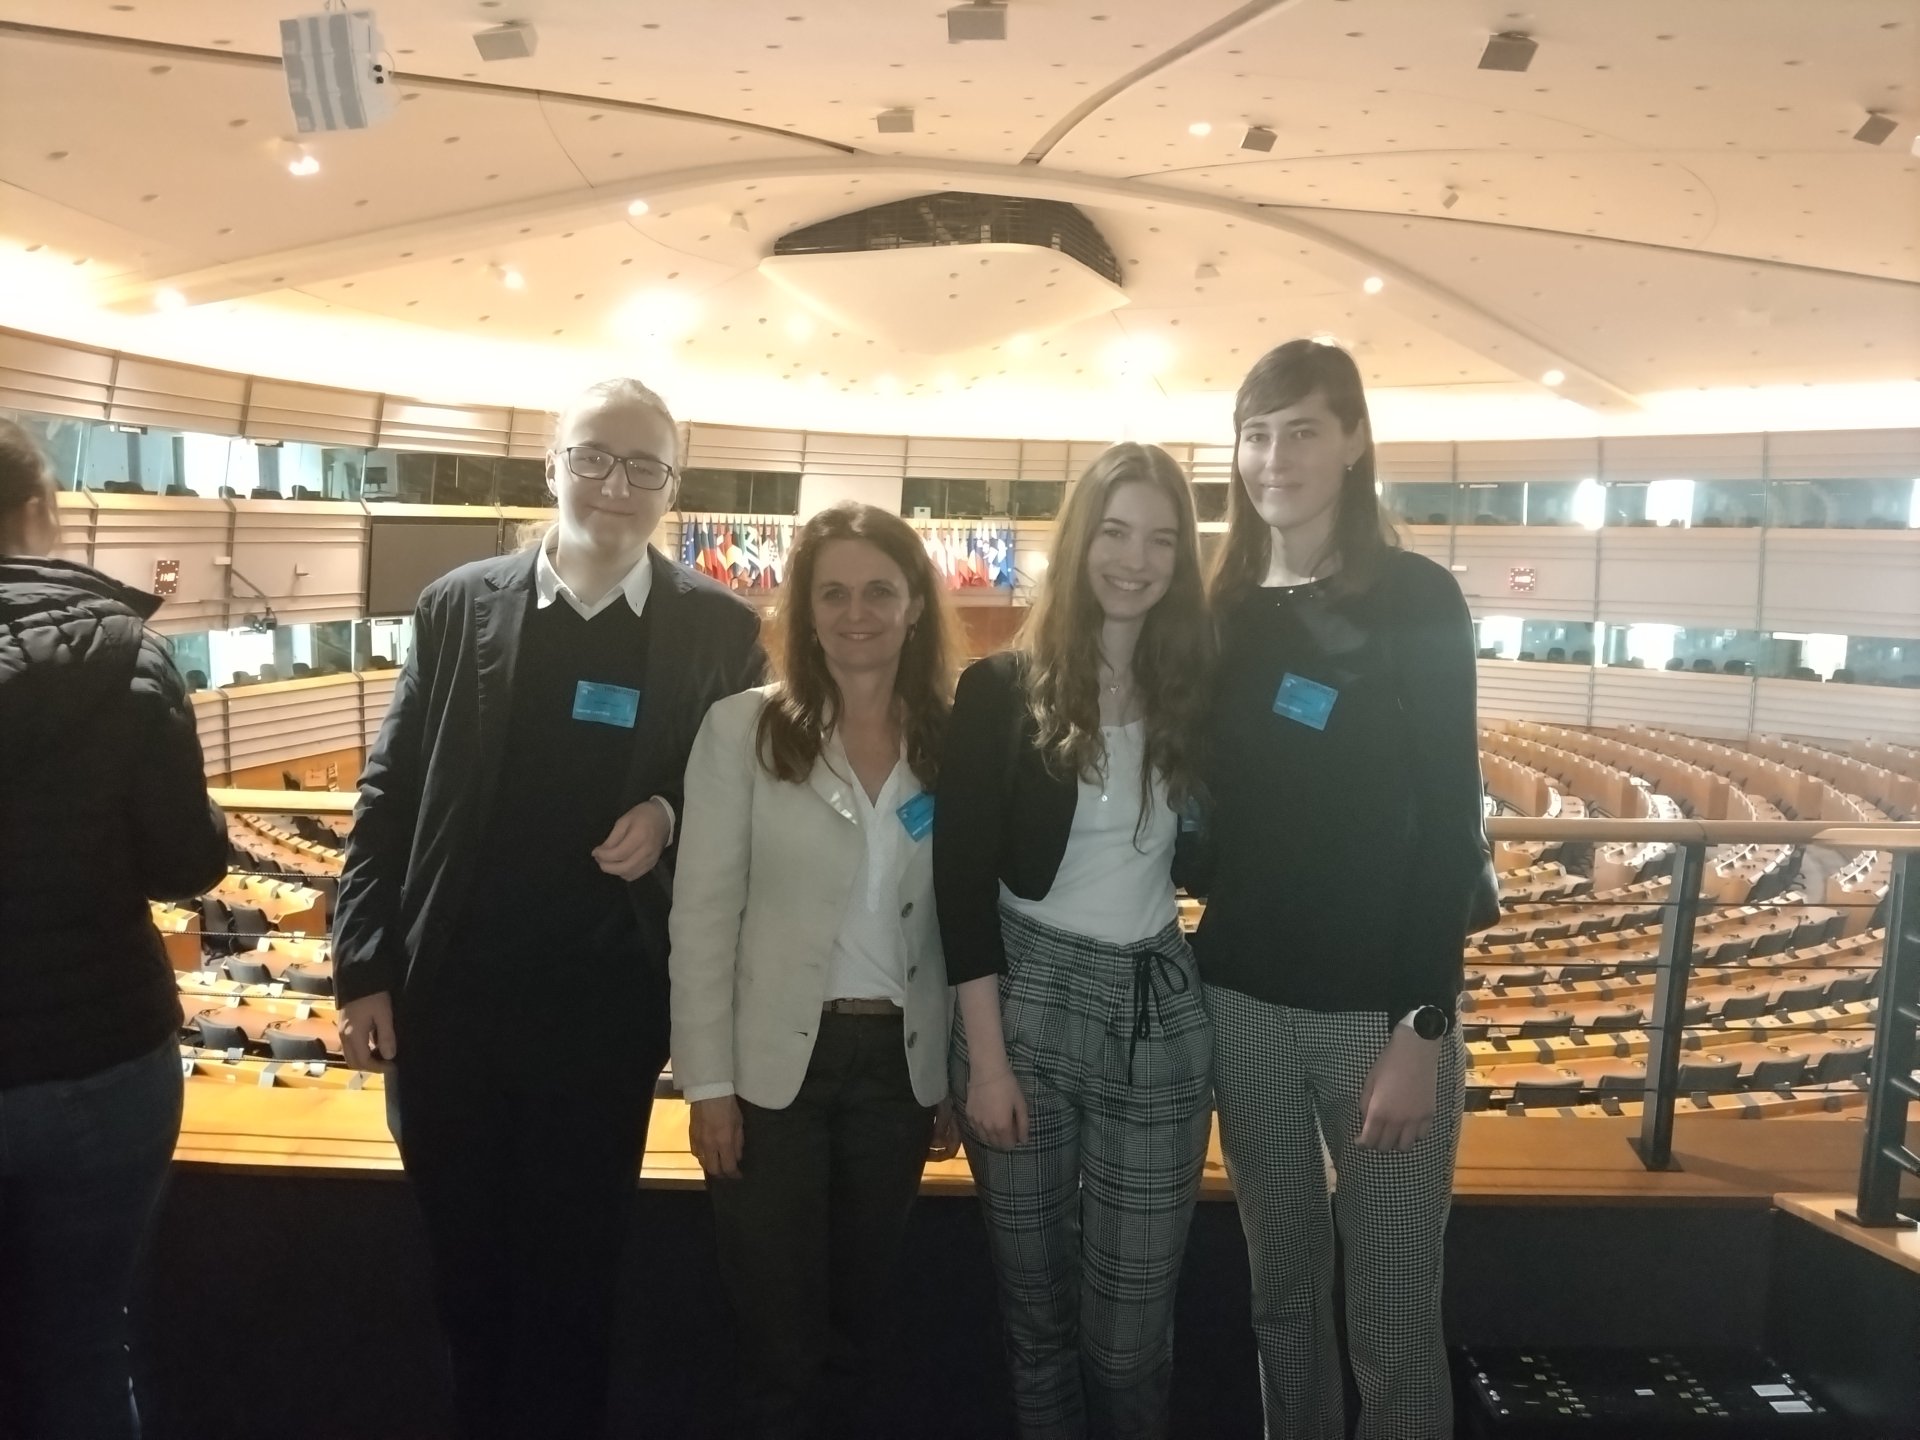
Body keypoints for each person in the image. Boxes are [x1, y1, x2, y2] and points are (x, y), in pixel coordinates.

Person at [332, 377, 764, 1440]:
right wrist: (362, 968)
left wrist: (669, 811)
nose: (617, 484)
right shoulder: (458, 605)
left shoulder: (719, 628)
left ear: (674, 486)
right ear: (552, 464)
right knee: (465, 1271)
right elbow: (389, 793)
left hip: (606, 1014)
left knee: (577, 1275)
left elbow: (749, 796)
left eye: (645, 466)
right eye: (594, 457)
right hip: (453, 1004)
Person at [1192, 340, 1482, 1439]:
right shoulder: (1218, 607)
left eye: (1304, 431)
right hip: (1244, 1003)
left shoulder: (1416, 596)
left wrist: (1422, 1026)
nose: (1276, 458)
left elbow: (1449, 823)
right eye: (1257, 434)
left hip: (1380, 1013)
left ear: (1355, 442)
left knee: (1394, 1316)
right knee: (1282, 1301)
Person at [935, 443, 1214, 1440]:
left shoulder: (1197, 691)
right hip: (1021, 999)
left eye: (1162, 540)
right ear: (1081, 540)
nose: (1136, 560)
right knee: (1038, 1319)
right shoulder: (1001, 689)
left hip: (1156, 1005)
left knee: (1130, 1338)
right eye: (1116, 532)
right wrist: (987, 1064)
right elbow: (958, 885)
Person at [671, 501, 963, 1439]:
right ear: (804, 609)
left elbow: (963, 922)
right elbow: (702, 917)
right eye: (833, 593)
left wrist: (950, 1073)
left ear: (915, 604)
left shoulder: (956, 739)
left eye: (880, 590)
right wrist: (708, 1086)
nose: (856, 612)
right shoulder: (741, 730)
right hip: (769, 1081)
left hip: (896, 1076)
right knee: (778, 1343)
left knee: (861, 1332)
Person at [0, 418, 229, 1438]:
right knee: (86, 1342)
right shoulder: (128, 652)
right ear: (41, 512)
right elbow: (186, 865)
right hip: (102, 1062)